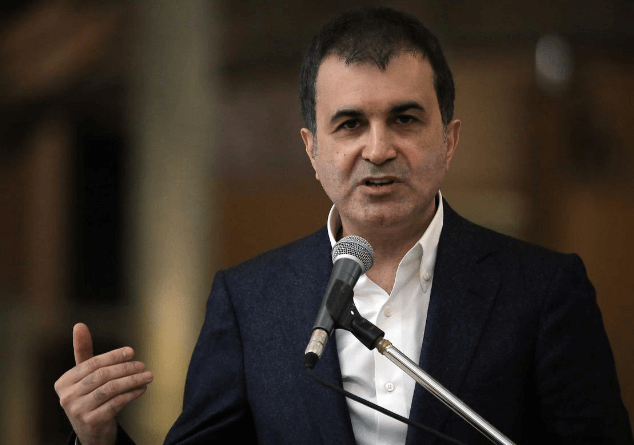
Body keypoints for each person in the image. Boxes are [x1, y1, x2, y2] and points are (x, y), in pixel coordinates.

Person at [55, 7, 633, 445]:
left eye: (405, 119)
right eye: (350, 124)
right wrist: (99, 439)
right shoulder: (249, 301)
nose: (378, 150)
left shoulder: (544, 290)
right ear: (312, 149)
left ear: (449, 140)